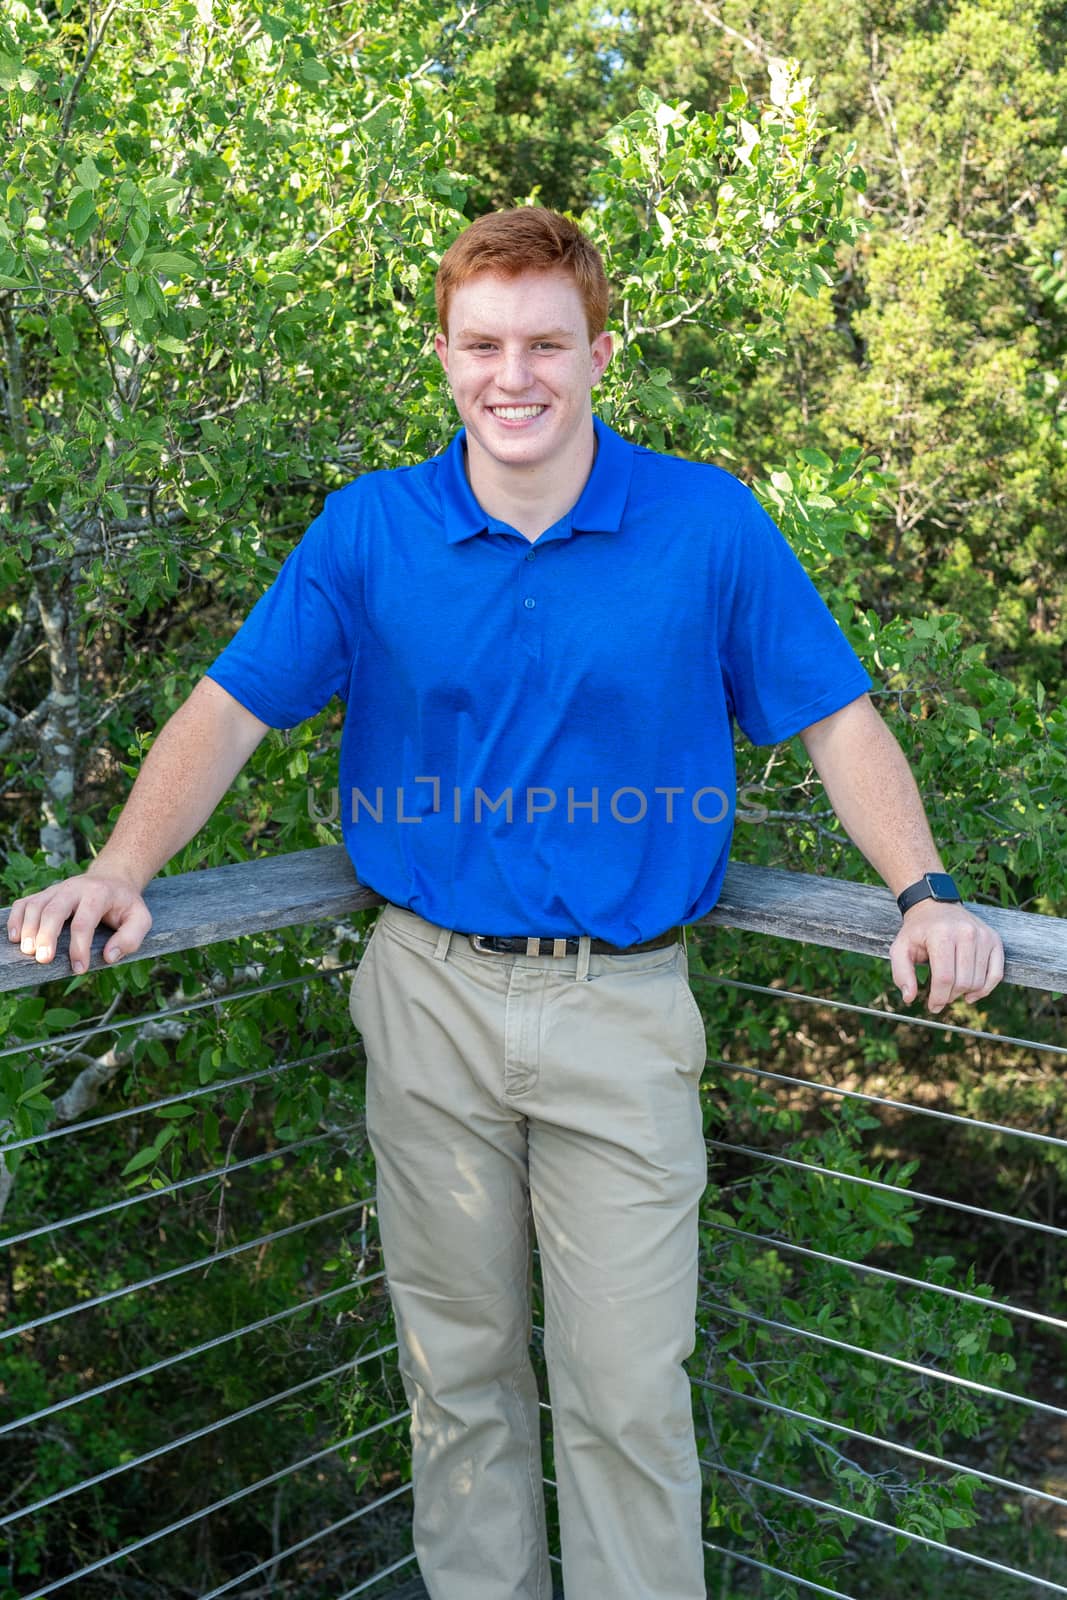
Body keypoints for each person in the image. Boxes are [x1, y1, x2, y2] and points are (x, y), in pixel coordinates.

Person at [8, 207, 1004, 1600]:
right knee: (457, 1382)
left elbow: (836, 719)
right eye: (483, 345)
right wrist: (119, 870)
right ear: (444, 356)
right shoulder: (372, 532)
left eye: (546, 342)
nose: (513, 374)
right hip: (426, 1000)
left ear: (602, 352)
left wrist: (927, 891)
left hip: (625, 1011)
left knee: (627, 1400)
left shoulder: (704, 524)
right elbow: (228, 707)